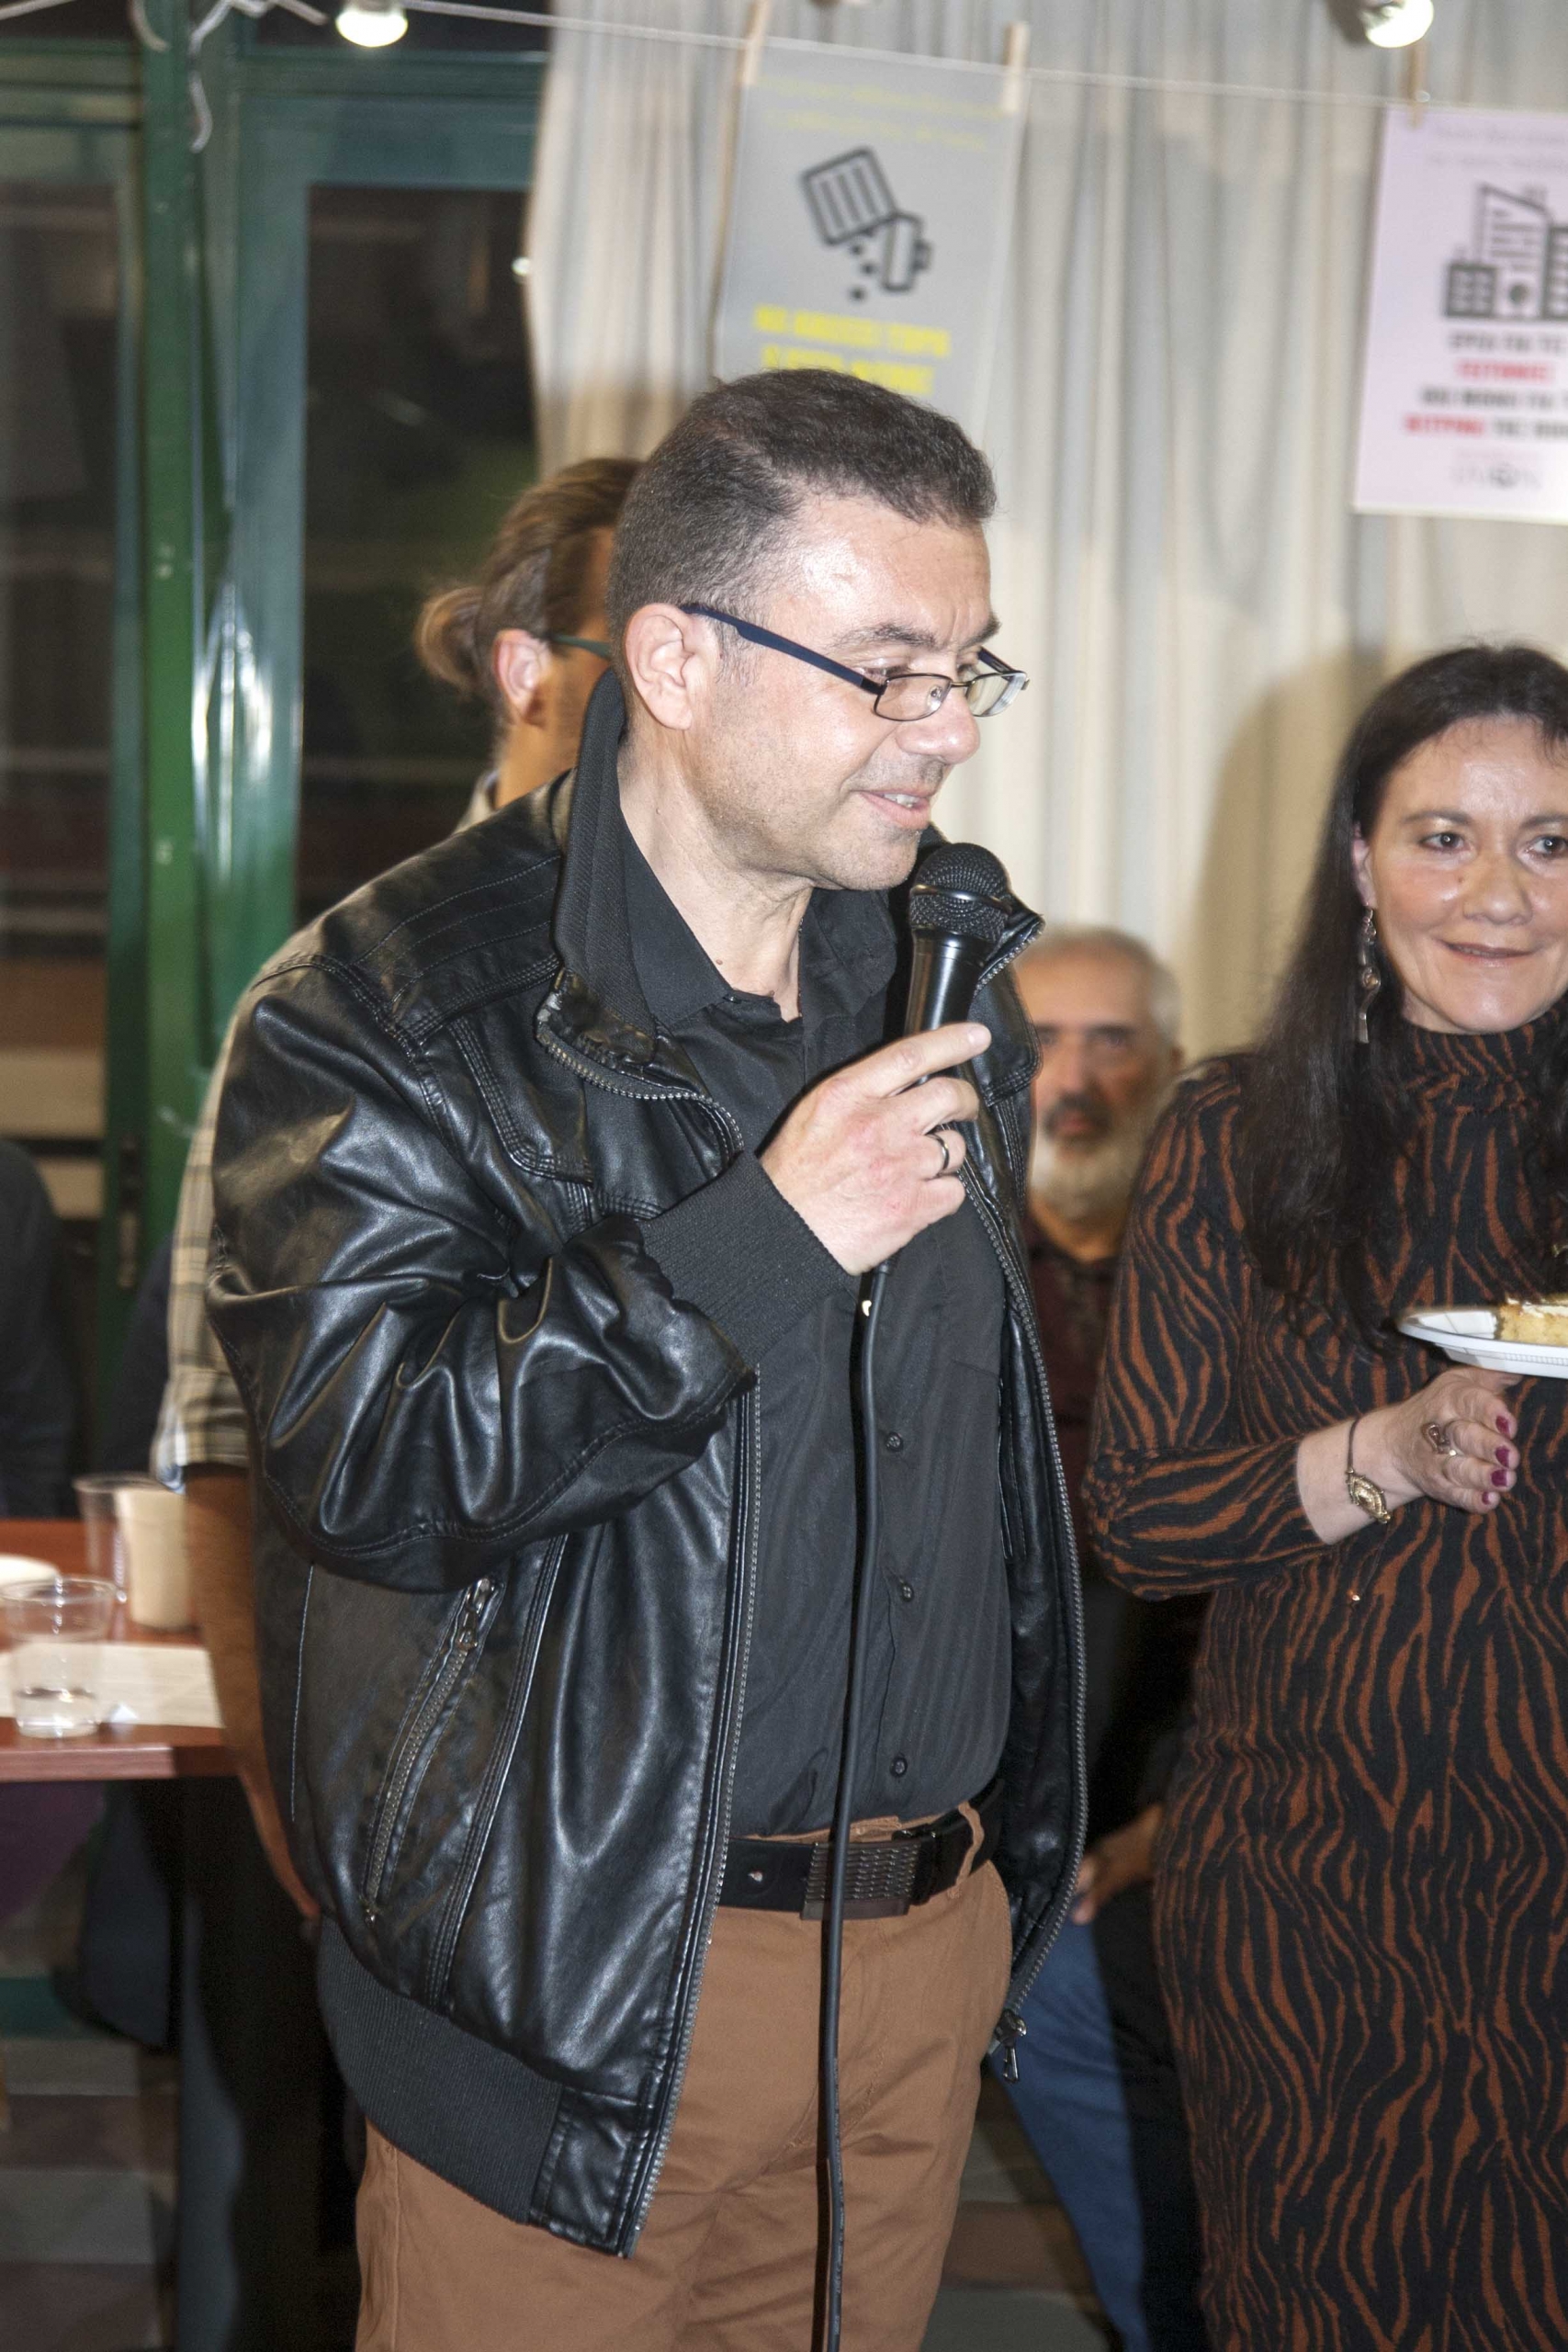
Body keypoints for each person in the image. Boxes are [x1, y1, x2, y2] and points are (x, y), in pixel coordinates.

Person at [205, 368, 1084, 2351]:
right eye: (885, 671)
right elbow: (370, 1470)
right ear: (676, 659)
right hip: (580, 1989)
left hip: (914, 1965)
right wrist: (762, 1239)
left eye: (967, 669)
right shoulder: (388, 1005)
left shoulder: (941, 972)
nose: (945, 729)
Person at [1085, 642, 1568, 2347]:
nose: (1500, 895)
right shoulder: (1237, 1132)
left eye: (1551, 843)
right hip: (1309, 1891)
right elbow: (1140, 1517)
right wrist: (1391, 1452)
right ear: (1361, 863)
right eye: (1444, 838)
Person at [152, 456, 637, 1909]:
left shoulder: (785, 973)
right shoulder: (352, 994)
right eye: (644, 651)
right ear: (525, 671)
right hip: (430, 1768)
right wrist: (278, 1785)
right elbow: (224, 1437)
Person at [997, 929, 1208, 2352]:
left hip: (1182, 1747)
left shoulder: (1234, 1274)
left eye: (1112, 1043)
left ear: (1171, 1070)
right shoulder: (935, 1261)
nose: (1073, 1079)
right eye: (1045, 1045)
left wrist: (1166, 1819)